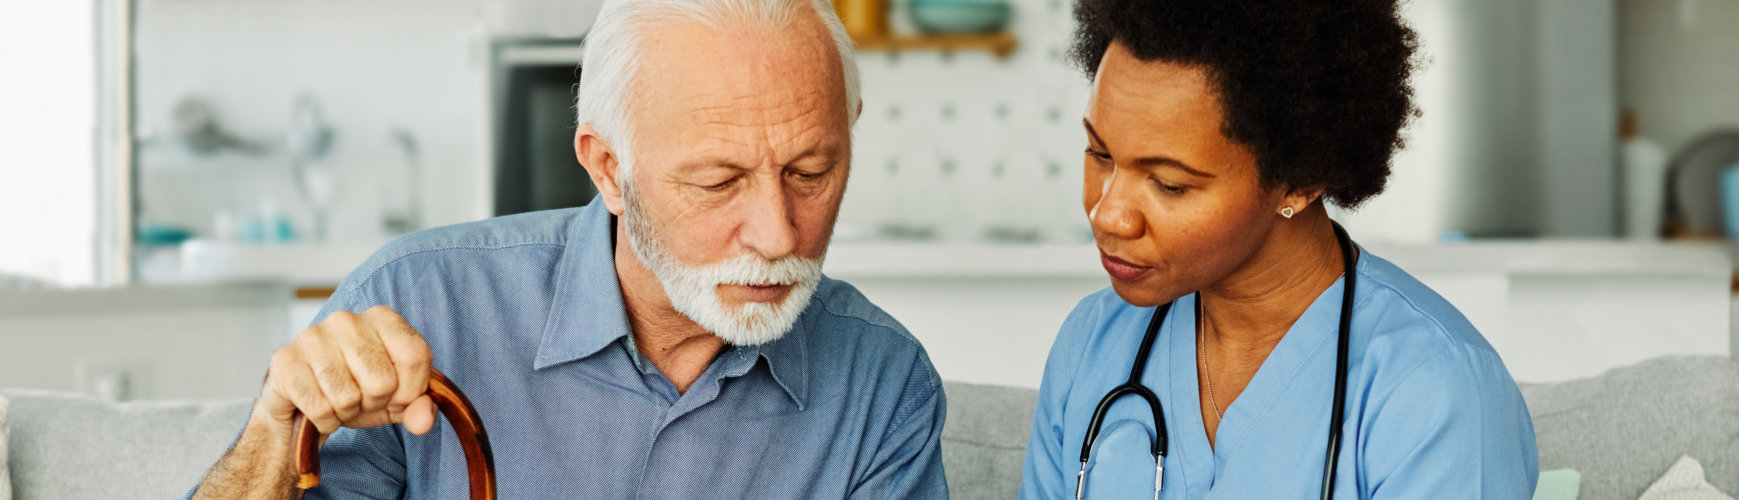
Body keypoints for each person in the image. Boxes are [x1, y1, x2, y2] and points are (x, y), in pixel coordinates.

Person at [185, 0, 947, 498]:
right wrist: (274, 429)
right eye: (718, 182)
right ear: (609, 169)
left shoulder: (883, 384)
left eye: (811, 172)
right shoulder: (419, 302)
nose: (780, 235)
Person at [1020, 1, 1538, 498]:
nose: (1108, 213)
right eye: (1100, 154)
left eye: (1169, 183)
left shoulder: (1435, 390)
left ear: (1300, 179)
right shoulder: (1091, 344)